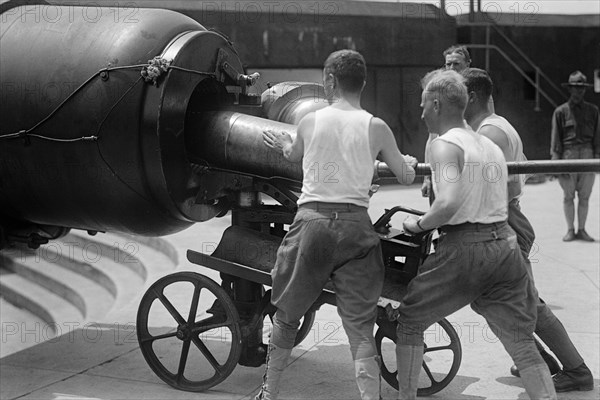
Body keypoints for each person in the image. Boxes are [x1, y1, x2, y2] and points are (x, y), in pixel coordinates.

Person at [258, 49, 418, 400]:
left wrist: (285, 144)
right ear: (362, 82)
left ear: (330, 81)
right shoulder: (377, 127)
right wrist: (405, 160)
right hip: (355, 228)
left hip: (313, 224)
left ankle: (269, 393)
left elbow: (292, 155)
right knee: (360, 330)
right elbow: (406, 175)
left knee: (286, 317)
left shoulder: (310, 122)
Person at [397, 69, 557, 400]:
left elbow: (449, 202)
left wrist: (418, 224)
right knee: (521, 340)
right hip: (504, 245)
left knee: (410, 318)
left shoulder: (444, 145)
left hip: (465, 247)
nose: (421, 112)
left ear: (437, 103)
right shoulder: (488, 145)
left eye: (424, 104)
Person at [463, 67, 594, 392]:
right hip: (504, 220)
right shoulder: (491, 126)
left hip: (503, 221)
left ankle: (576, 370)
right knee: (489, 299)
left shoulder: (490, 133)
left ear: (471, 97)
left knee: (524, 302)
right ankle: (537, 358)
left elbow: (502, 190)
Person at [551, 70, 600, 242]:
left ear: (585, 90)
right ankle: (570, 229)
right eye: (575, 88)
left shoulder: (593, 111)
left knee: (585, 197)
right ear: (570, 89)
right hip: (568, 156)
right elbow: (556, 140)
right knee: (568, 196)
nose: (578, 91)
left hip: (588, 155)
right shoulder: (560, 112)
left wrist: (596, 160)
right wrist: (556, 164)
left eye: (581, 88)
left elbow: (597, 138)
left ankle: (582, 229)